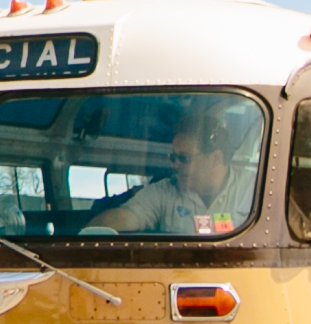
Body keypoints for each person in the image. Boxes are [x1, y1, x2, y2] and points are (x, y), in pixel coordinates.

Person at [90, 99, 254, 236]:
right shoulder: (164, 191)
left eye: (184, 158)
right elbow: (127, 217)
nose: (175, 165)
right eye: (173, 157)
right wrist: (91, 232)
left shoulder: (254, 190)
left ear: (215, 158)